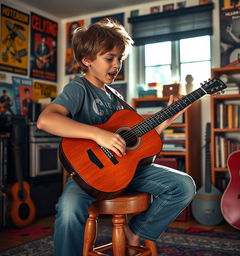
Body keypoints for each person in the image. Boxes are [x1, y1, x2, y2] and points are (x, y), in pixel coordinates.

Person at [37, 18, 196, 256]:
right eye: (109, 58)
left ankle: (137, 232)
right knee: (69, 209)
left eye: (120, 58)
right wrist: (98, 134)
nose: (116, 64)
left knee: (184, 185)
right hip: (90, 175)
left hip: (125, 171)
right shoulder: (79, 88)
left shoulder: (115, 95)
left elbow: (141, 142)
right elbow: (46, 120)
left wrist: (167, 119)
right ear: (87, 60)